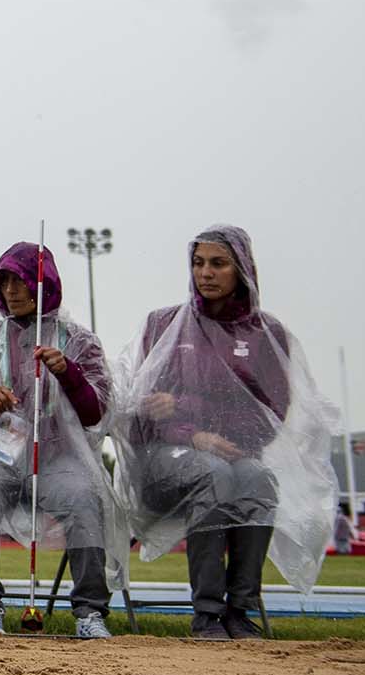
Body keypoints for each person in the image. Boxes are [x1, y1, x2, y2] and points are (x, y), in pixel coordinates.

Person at [112, 226, 340, 640]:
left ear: (243, 270)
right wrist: (191, 433)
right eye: (198, 263)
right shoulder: (164, 326)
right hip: (161, 469)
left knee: (258, 480)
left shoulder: (267, 335)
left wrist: (191, 414)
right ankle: (207, 613)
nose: (206, 273)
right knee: (212, 473)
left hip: (235, 459)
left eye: (218, 263)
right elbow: (135, 415)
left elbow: (267, 417)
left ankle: (240, 609)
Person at [0, 242, 123, 639]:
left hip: (58, 460)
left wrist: (69, 373)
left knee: (88, 496)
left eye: (22, 280)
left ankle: (90, 611)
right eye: (4, 281)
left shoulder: (81, 341)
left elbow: (95, 412)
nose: (12, 290)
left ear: (44, 283)